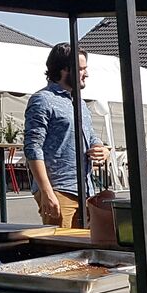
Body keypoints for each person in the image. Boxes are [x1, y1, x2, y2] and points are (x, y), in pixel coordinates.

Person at [24, 43, 108, 228]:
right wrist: (47, 192)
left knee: (85, 243)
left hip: (86, 190)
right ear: (64, 69)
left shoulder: (79, 102)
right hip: (59, 190)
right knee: (62, 244)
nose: (86, 74)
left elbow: (90, 135)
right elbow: (32, 148)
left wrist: (100, 148)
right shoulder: (42, 100)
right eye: (81, 69)